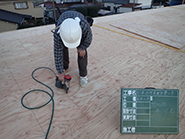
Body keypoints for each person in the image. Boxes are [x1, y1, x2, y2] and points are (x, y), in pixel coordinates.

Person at [54, 10, 93, 88]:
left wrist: (82, 47)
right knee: (62, 49)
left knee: (82, 53)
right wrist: (60, 72)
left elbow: (88, 38)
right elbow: (57, 53)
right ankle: (64, 67)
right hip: (64, 21)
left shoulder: (84, 25)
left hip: (78, 24)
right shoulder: (58, 33)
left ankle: (83, 76)